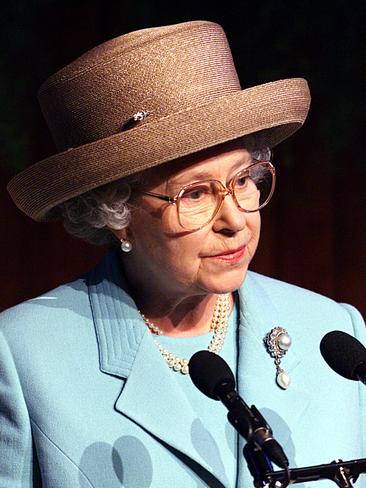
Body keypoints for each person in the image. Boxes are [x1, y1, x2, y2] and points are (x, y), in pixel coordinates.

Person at [1, 20, 365, 488]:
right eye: (194, 194)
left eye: (243, 181)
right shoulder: (25, 357)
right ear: (117, 214)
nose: (234, 218)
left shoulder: (334, 336)